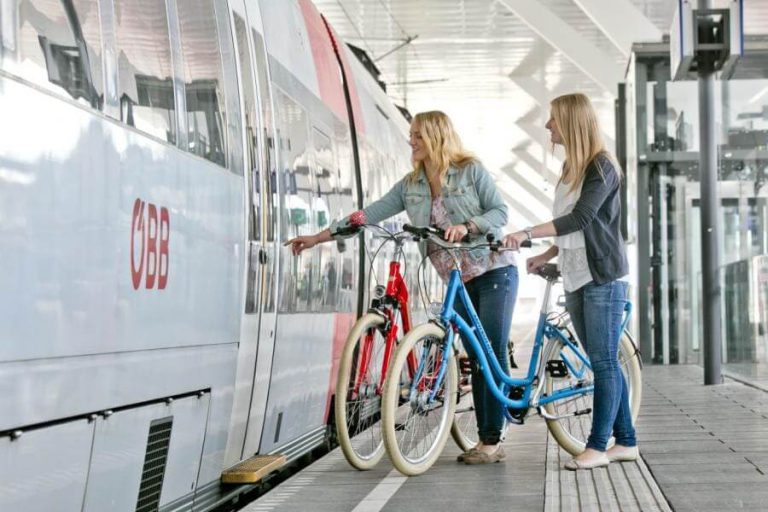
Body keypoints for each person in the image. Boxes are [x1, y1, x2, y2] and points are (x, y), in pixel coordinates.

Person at [286, 111, 518, 464]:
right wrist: (320, 237)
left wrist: (468, 225)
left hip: (494, 269)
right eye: (411, 135)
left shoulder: (470, 170)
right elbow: (370, 213)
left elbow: (500, 212)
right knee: (472, 355)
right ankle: (484, 432)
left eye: (418, 135)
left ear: (437, 137)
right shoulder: (412, 185)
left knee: (490, 351)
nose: (412, 141)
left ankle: (491, 440)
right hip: (458, 278)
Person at [503, 93, 638, 470]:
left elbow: (581, 218)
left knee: (604, 362)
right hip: (576, 277)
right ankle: (626, 441)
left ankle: (597, 446)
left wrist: (527, 233)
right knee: (603, 361)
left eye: (553, 120)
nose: (548, 126)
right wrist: (547, 255)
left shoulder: (602, 167)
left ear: (572, 123)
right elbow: (572, 230)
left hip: (602, 279)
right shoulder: (570, 169)